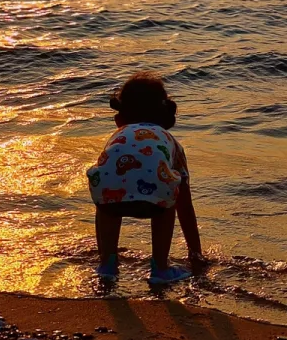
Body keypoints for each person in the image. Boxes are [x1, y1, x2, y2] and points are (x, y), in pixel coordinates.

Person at [87, 71, 207, 285]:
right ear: (164, 115)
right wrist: (195, 253)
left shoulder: (117, 137)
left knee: (107, 189)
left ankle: (107, 264)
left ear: (118, 118)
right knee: (170, 191)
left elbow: (107, 170)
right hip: (155, 205)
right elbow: (185, 205)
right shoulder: (170, 141)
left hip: (109, 200)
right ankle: (160, 268)